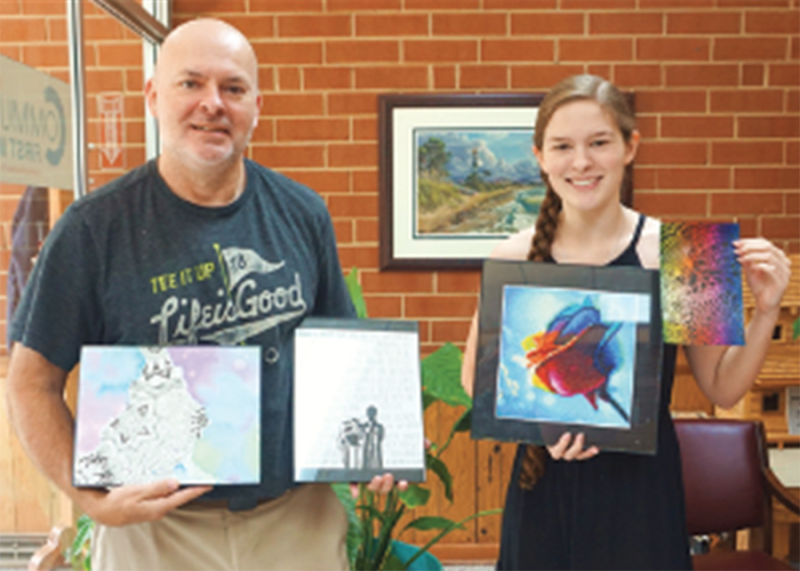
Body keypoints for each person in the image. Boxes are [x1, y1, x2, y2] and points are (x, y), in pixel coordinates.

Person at [6, 18, 398, 571]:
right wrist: (90, 500)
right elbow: (31, 383)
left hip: (295, 522)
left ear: (256, 107)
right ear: (153, 97)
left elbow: (341, 356)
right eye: (190, 84)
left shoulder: (302, 213)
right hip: (155, 530)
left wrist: (372, 456)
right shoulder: (93, 229)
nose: (212, 103)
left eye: (232, 88)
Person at [460, 74, 792, 571]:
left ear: (630, 147)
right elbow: (475, 382)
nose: (581, 162)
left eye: (599, 143)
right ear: (539, 157)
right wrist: (545, 427)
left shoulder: (686, 253)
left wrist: (766, 309)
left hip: (643, 500)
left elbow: (723, 387)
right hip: (543, 492)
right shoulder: (511, 255)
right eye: (563, 146)